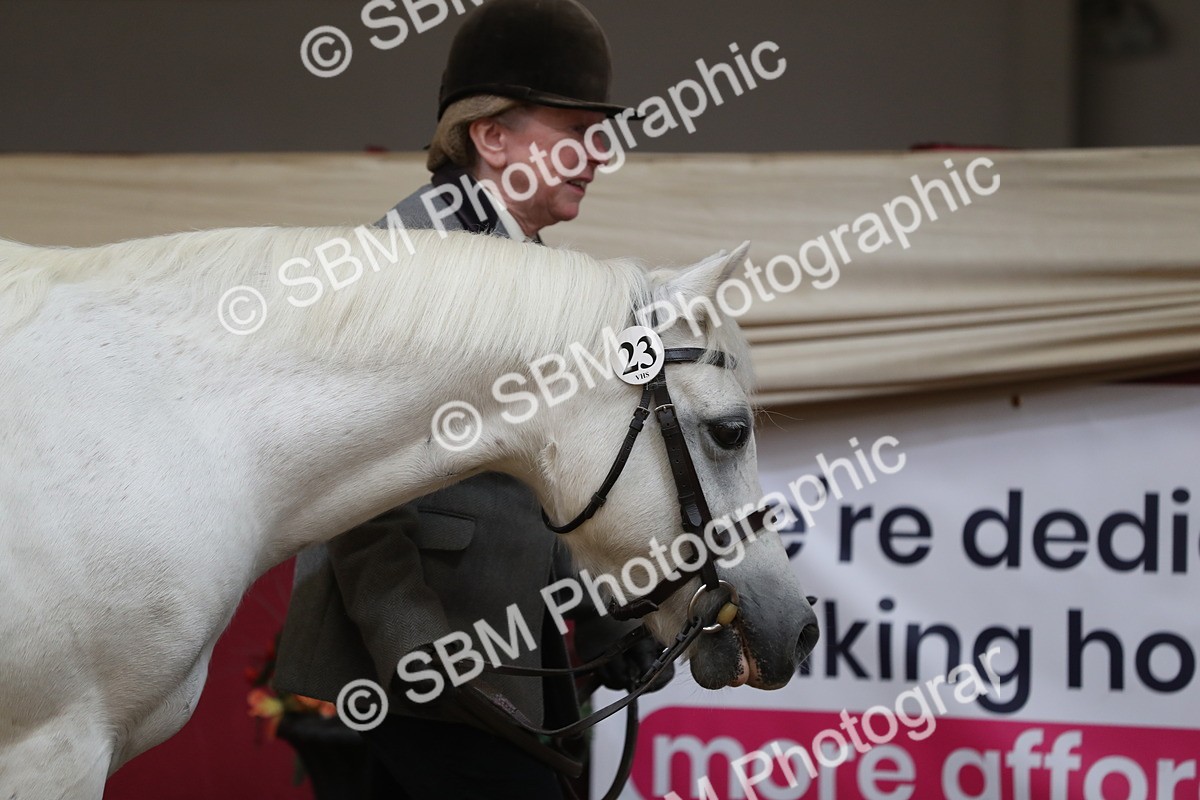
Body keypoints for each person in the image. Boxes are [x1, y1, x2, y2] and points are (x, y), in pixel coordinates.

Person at [274, 2, 669, 798]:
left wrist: (600, 619)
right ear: (491, 137)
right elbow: (346, 463)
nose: (597, 155)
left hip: (510, 658)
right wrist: (409, 635)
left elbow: (538, 480)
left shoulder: (535, 267)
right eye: (575, 131)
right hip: (422, 673)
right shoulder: (408, 259)